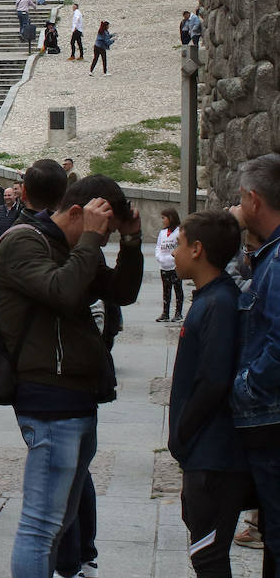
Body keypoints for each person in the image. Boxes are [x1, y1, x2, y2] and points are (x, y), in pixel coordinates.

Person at [0, 175, 142, 577]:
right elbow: (63, 292)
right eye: (100, 231)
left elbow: (120, 293)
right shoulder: (24, 242)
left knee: (60, 520)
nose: (102, 241)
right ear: (77, 213)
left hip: (77, 395)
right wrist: (91, 242)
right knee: (40, 525)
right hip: (47, 397)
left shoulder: (73, 246)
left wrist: (130, 241)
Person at [166, 209, 250, 578]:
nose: (173, 253)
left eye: (179, 245)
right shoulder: (209, 298)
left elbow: (214, 381)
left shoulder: (219, 303)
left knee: (209, 557)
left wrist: (183, 433)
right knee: (206, 553)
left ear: (197, 249)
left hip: (214, 456)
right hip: (204, 453)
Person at [231, 154, 280, 577]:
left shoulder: (278, 262)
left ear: (254, 199)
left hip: (271, 416)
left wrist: (248, 385)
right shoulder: (269, 256)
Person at [155, 208, 184, 322]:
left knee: (177, 289)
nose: (162, 220)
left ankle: (178, 313)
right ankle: (165, 313)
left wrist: (172, 257)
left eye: (164, 218)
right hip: (163, 266)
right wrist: (159, 257)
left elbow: (181, 246)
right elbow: (158, 246)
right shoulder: (162, 233)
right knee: (166, 290)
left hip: (174, 266)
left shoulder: (179, 231)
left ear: (171, 218)